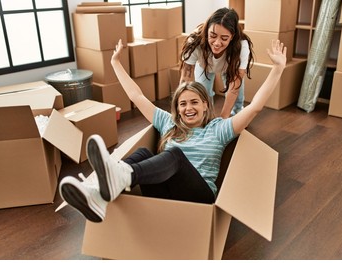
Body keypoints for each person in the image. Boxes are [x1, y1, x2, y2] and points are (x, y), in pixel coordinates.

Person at [58, 39, 287, 223]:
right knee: (146, 155)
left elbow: (255, 106)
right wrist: (115, 63)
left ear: (206, 104)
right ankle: (98, 195)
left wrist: (277, 69)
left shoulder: (220, 129)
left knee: (174, 155)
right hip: (164, 196)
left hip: (200, 198)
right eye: (183, 104)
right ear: (177, 108)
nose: (188, 108)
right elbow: (136, 96)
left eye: (194, 102)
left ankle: (119, 177)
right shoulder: (169, 123)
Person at [179, 7, 254, 119]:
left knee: (237, 97)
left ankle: (238, 111)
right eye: (213, 36)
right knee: (204, 94)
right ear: (207, 31)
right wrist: (181, 110)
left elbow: (234, 87)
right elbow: (186, 78)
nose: (217, 43)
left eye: (224, 38)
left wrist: (223, 120)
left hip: (229, 67)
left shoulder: (241, 46)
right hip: (204, 66)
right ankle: (207, 117)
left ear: (232, 37)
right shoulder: (194, 42)